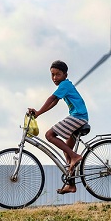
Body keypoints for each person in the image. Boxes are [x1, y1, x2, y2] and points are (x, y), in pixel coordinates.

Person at [28, 60, 89, 194]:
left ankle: (75, 156)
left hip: (78, 116)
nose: (55, 78)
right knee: (66, 153)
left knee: (49, 135)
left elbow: (51, 98)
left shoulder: (65, 84)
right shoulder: (64, 86)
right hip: (79, 116)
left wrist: (37, 112)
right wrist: (39, 113)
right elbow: (54, 102)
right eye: (52, 75)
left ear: (65, 74)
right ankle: (71, 185)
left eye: (58, 74)